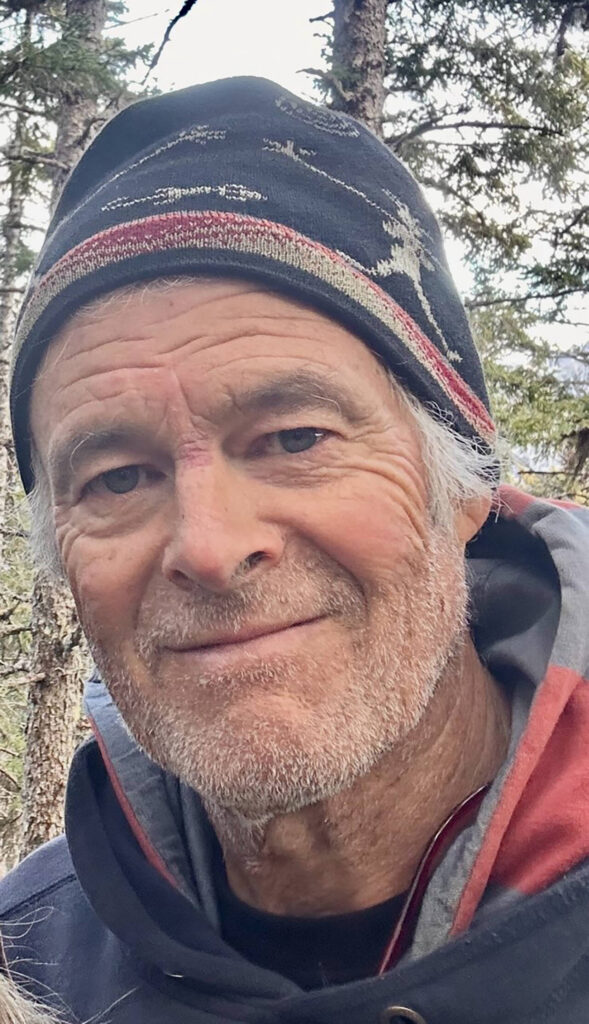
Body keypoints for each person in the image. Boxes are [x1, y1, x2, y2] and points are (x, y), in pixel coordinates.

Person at [0, 77, 587, 1024]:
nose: (210, 546)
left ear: (464, 482)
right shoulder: (32, 966)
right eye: (117, 477)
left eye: (296, 438)